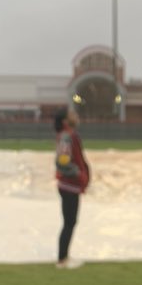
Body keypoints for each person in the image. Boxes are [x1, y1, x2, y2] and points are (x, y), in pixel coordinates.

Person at [54, 106, 90, 268]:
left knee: (70, 222)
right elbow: (62, 161)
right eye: (72, 115)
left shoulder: (69, 136)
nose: (76, 116)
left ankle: (64, 257)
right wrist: (79, 175)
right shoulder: (67, 137)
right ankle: (62, 259)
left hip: (71, 185)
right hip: (69, 185)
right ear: (65, 121)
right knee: (69, 222)